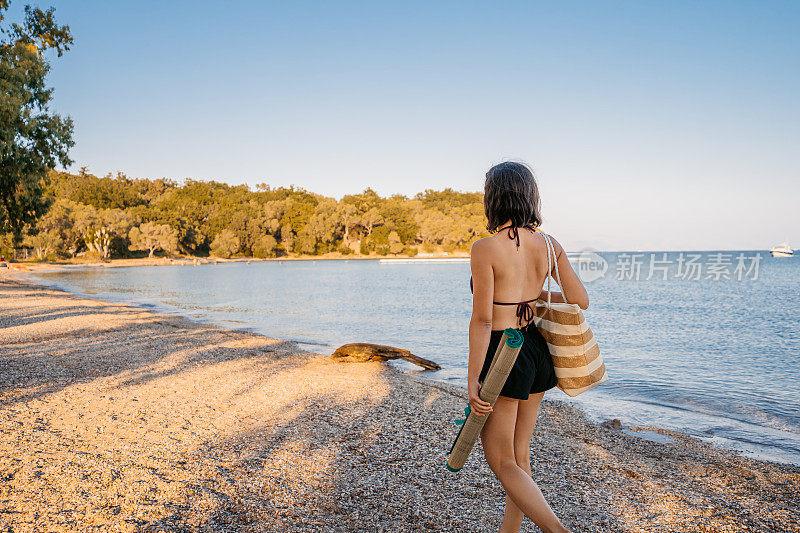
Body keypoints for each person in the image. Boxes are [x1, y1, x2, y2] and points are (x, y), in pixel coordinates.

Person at [468, 161, 589, 533]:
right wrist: (533, 296)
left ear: (493, 199)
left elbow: (484, 320)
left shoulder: (485, 248)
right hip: (537, 353)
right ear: (529, 196)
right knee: (519, 456)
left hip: (504, 354)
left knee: (501, 460)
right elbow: (579, 299)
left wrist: (472, 379)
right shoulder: (550, 245)